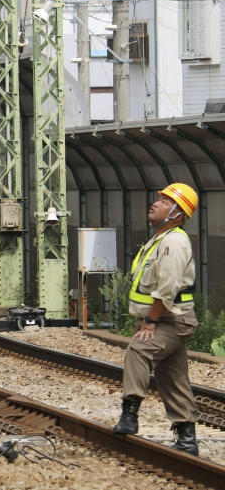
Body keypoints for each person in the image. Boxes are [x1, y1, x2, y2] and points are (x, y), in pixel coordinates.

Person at [112, 183, 200, 456]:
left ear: (177, 212)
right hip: (166, 319)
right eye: (159, 198)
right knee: (172, 377)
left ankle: (130, 414)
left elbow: (168, 288)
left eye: (164, 201)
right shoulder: (160, 240)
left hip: (171, 321)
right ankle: (187, 439)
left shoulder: (173, 241)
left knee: (138, 351)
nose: (155, 203)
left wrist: (149, 321)